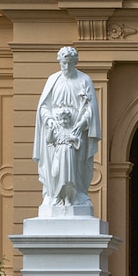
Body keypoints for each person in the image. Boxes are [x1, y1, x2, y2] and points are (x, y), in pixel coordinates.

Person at [32, 46, 100, 214]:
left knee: (74, 166)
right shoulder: (53, 80)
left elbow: (91, 109)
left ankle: (75, 195)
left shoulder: (84, 80)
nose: (66, 67)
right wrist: (49, 120)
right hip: (55, 131)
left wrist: (81, 124)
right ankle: (54, 195)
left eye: (70, 63)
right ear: (59, 62)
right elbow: (43, 107)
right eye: (63, 63)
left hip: (76, 131)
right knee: (53, 168)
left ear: (75, 62)